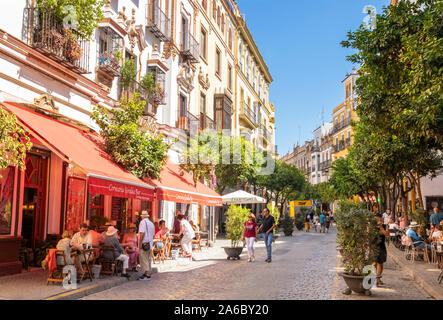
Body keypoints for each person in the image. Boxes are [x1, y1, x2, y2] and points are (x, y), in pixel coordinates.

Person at [372, 214, 389, 286]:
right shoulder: (371, 226)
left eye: (378, 219)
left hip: (381, 247)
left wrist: (381, 227)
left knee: (380, 263)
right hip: (373, 247)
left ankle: (378, 279)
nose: (377, 221)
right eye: (375, 219)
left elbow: (387, 235)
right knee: (373, 263)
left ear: (381, 219)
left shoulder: (385, 226)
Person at [138, 210, 155, 280]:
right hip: (150, 244)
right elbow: (153, 235)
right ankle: (147, 273)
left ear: (142, 216)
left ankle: (147, 274)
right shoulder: (151, 223)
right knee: (148, 259)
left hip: (144, 243)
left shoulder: (142, 222)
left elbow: (142, 233)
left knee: (143, 259)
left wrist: (140, 243)